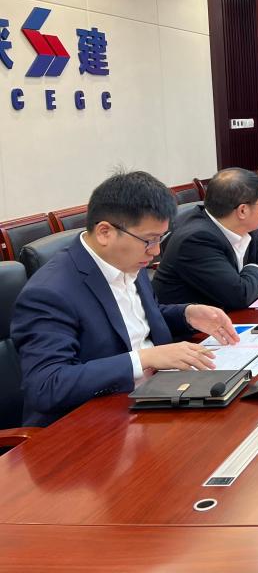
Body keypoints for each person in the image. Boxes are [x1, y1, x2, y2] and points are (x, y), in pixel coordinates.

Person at [10, 171, 238, 427]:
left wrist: (186, 315)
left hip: (155, 399)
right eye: (149, 240)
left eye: (160, 239)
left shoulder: (127, 259)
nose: (156, 251)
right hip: (90, 425)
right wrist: (143, 359)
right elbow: (46, 385)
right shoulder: (50, 292)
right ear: (105, 232)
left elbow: (133, 321)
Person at [153, 168, 258, 311]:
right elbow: (239, 296)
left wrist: (252, 281)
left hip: (229, 316)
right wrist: (257, 270)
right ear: (243, 211)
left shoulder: (246, 228)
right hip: (190, 325)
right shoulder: (196, 240)